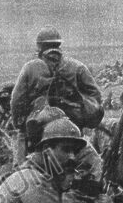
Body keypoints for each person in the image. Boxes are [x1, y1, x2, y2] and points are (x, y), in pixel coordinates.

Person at [11, 27, 103, 163]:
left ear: (40, 46)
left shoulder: (30, 68)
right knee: (87, 161)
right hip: (72, 127)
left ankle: (19, 168)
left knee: (22, 140)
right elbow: (95, 95)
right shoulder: (77, 66)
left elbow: (17, 100)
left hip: (38, 130)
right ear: (59, 44)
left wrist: (19, 124)